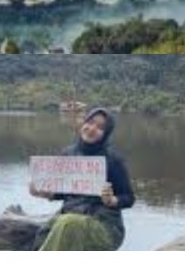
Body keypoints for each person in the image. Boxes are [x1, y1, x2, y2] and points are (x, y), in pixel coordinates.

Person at [29, 107, 135, 251]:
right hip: (69, 214)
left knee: (69, 224)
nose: (92, 129)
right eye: (90, 122)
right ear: (83, 123)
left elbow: (129, 198)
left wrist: (112, 200)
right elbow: (65, 191)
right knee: (43, 234)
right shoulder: (68, 154)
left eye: (100, 127)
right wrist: (45, 193)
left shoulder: (113, 160)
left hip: (105, 226)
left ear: (106, 134)